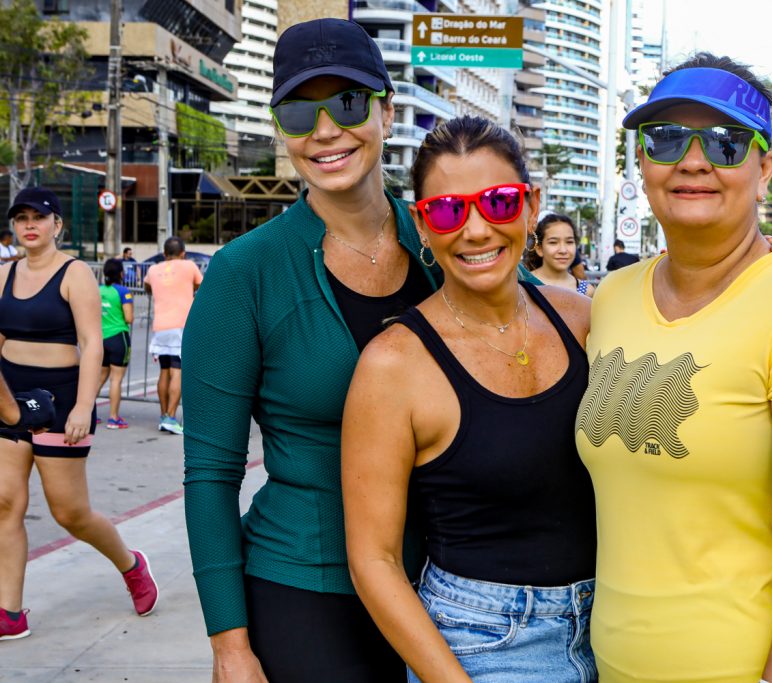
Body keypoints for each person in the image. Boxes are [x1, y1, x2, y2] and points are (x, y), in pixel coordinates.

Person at [578, 54, 772, 682]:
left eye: (725, 141)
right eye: (664, 139)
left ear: (764, 169)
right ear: (641, 163)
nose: (692, 160)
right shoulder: (610, 296)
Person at [182, 18, 444, 682]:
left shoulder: (449, 246)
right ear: (281, 128)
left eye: (348, 102)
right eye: (300, 110)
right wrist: (230, 645)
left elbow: (543, 325)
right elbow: (210, 474)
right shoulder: (245, 273)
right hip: (306, 588)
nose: (325, 129)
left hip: (450, 588)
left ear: (386, 110)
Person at [343, 117, 598, 683]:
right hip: (483, 644)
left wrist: (763, 257)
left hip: (617, 627)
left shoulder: (584, 320)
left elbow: (689, 310)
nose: (477, 230)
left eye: (499, 202)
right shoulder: (393, 365)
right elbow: (374, 561)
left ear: (531, 206)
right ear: (423, 225)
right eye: (448, 210)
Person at [0, 186, 157, 641]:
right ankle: (10, 611)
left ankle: (131, 565)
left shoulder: (74, 274)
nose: (29, 225)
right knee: (6, 503)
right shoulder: (4, 275)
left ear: (57, 225)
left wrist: (85, 406)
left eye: (39, 217)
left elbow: (92, 344)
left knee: (70, 513)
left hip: (62, 399)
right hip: (10, 399)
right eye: (21, 217)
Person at [144, 236, 201, 435]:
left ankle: (163, 416)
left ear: (164, 253)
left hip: (160, 326)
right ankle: (170, 416)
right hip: (181, 325)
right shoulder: (189, 266)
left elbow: (146, 287)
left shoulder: (153, 269)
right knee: (178, 371)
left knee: (164, 370)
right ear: (183, 253)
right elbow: (201, 286)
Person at [98, 258, 134, 429]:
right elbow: (129, 318)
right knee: (116, 380)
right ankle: (113, 418)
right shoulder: (123, 291)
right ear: (121, 273)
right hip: (118, 337)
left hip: (101, 338)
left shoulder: (97, 290)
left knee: (100, 377)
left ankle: (90, 413)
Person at [527, 213, 595, 297]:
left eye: (569, 242)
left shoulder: (586, 291)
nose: (563, 250)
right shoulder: (522, 284)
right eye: (553, 242)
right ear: (539, 249)